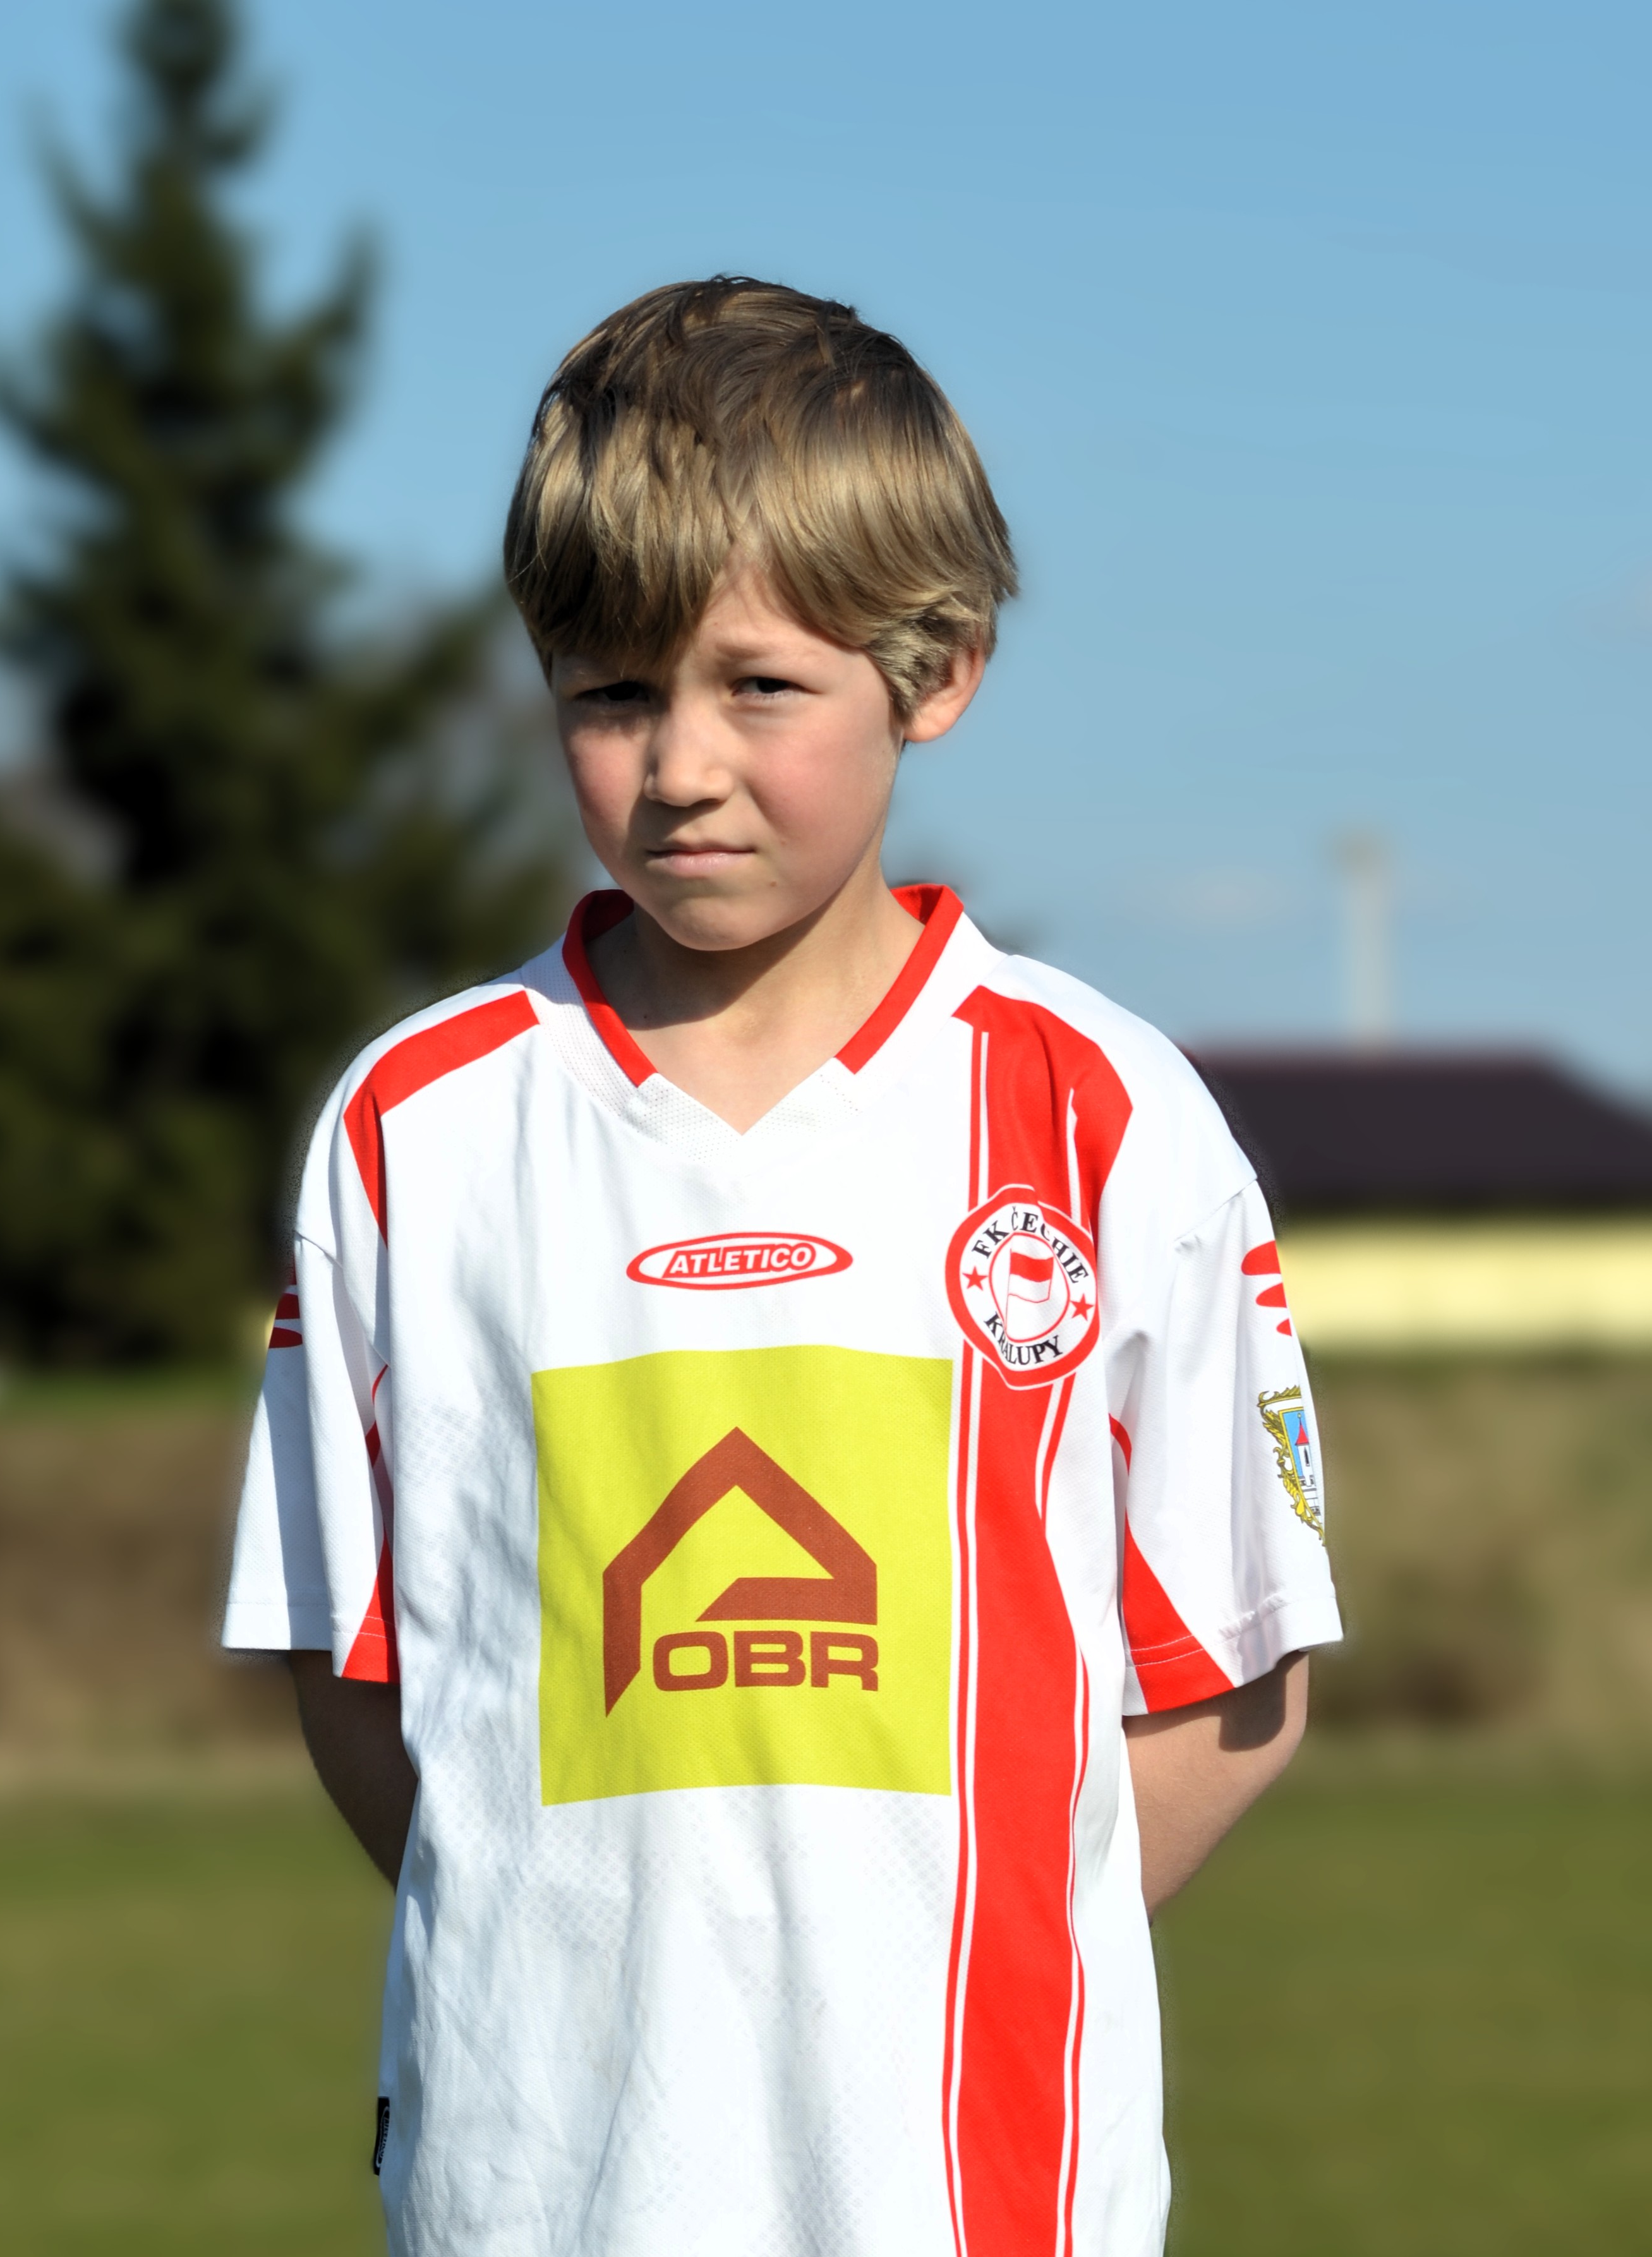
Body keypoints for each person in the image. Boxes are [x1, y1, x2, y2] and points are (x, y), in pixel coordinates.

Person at [223, 277, 1342, 2257]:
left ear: (935, 669)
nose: (679, 765)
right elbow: (359, 1678)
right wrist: (578, 1952)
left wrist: (942, 1945)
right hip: (535, 2192)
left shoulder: (1101, 1117)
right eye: (610, 694)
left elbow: (1227, 1693)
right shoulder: (416, 1130)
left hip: (979, 2195)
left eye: (756, 686)